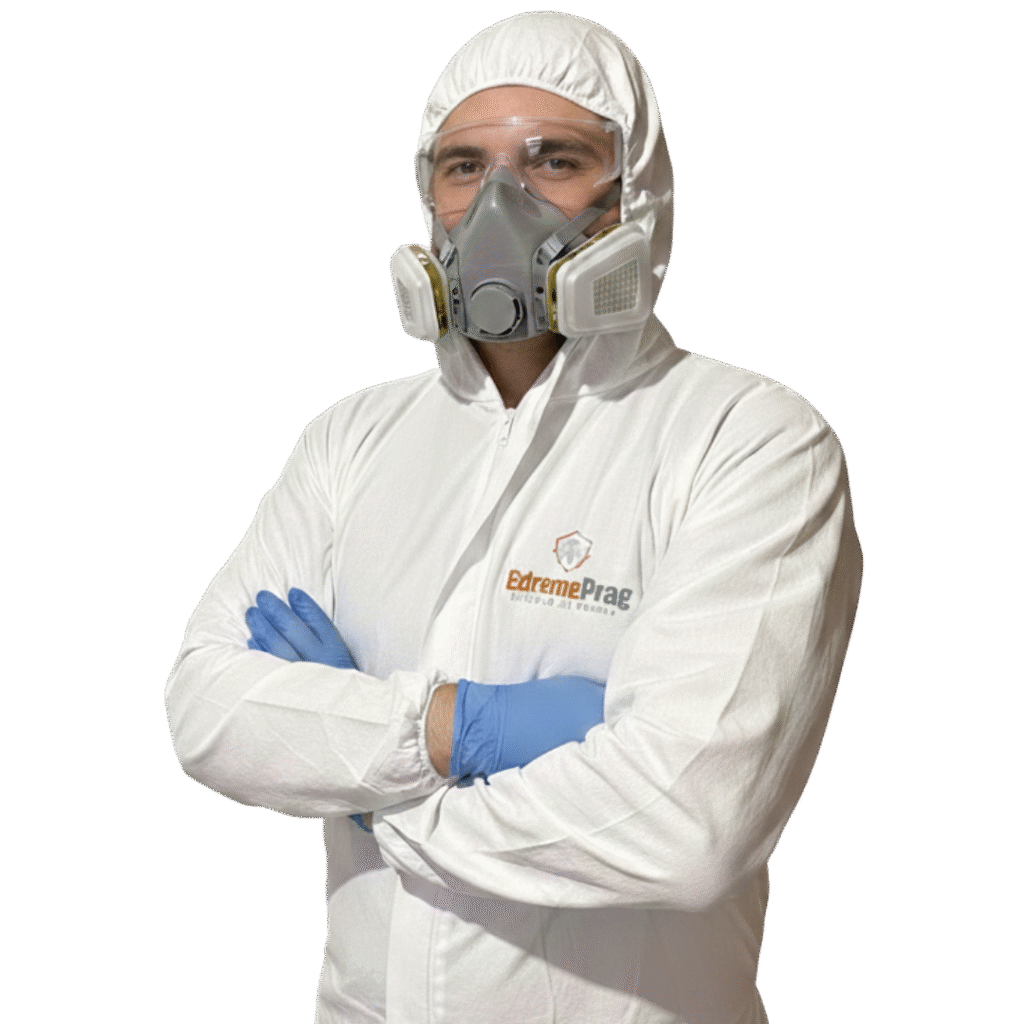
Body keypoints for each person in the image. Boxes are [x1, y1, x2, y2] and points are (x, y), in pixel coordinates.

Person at [165, 12, 863, 1024]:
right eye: (464, 167)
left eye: (554, 160)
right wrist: (459, 729)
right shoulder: (350, 441)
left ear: (635, 197)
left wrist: (362, 788)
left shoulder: (747, 440)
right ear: (430, 203)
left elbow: (686, 826)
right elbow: (208, 710)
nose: (500, 203)